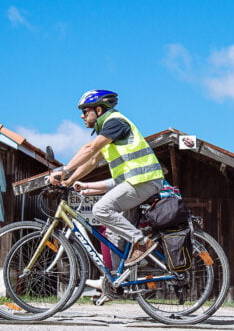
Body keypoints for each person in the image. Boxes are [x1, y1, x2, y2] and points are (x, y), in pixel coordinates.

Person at [48, 90, 165, 274]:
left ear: (99, 110)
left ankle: (142, 243)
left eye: (86, 111)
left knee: (101, 209)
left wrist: (63, 170)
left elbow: (90, 148)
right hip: (135, 182)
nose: (82, 115)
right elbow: (93, 160)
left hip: (143, 180)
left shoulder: (115, 122)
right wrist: (69, 181)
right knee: (113, 234)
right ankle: (117, 280)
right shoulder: (109, 131)